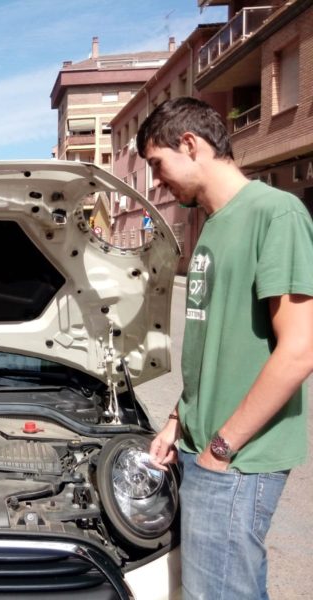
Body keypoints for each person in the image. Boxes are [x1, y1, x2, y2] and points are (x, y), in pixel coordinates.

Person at [140, 97, 313, 600]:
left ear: (190, 144)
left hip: (235, 460)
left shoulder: (275, 213)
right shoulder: (213, 225)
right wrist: (178, 419)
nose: (157, 181)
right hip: (204, 450)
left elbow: (299, 349)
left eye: (158, 164)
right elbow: (213, 346)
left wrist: (222, 447)